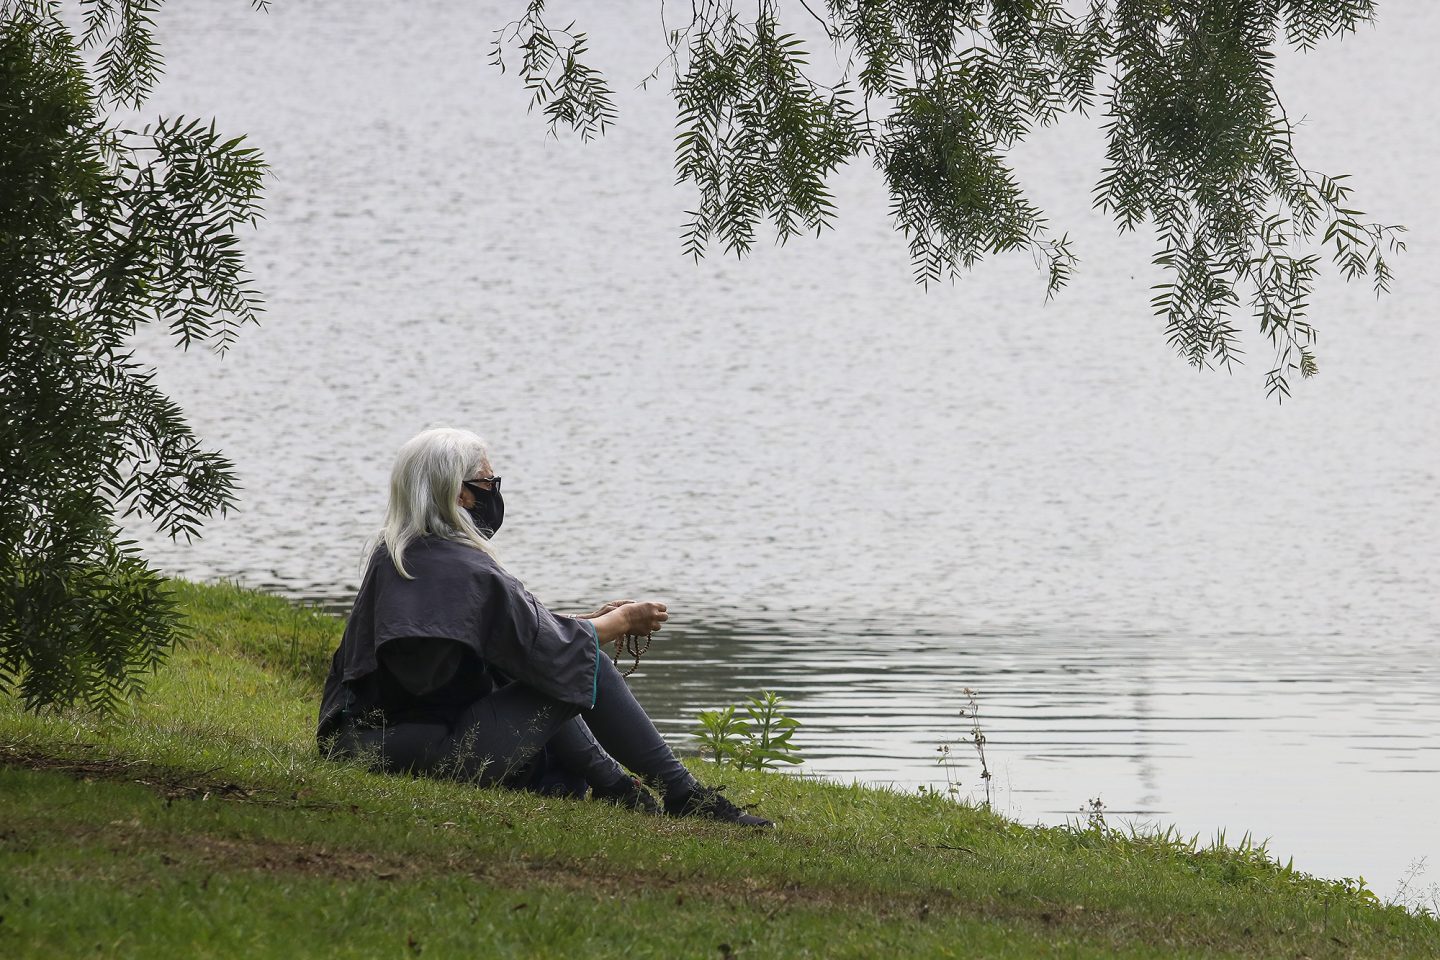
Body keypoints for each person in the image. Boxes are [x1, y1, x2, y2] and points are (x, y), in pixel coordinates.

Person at [317, 426, 771, 827]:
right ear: (461, 495)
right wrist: (623, 621)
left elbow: (503, 636)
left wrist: (587, 621)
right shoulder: (461, 566)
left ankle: (618, 787)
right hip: (416, 754)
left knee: (552, 660)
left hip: (357, 745)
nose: (495, 490)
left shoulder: (399, 552)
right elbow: (545, 647)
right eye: (488, 482)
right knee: (582, 662)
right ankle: (681, 794)